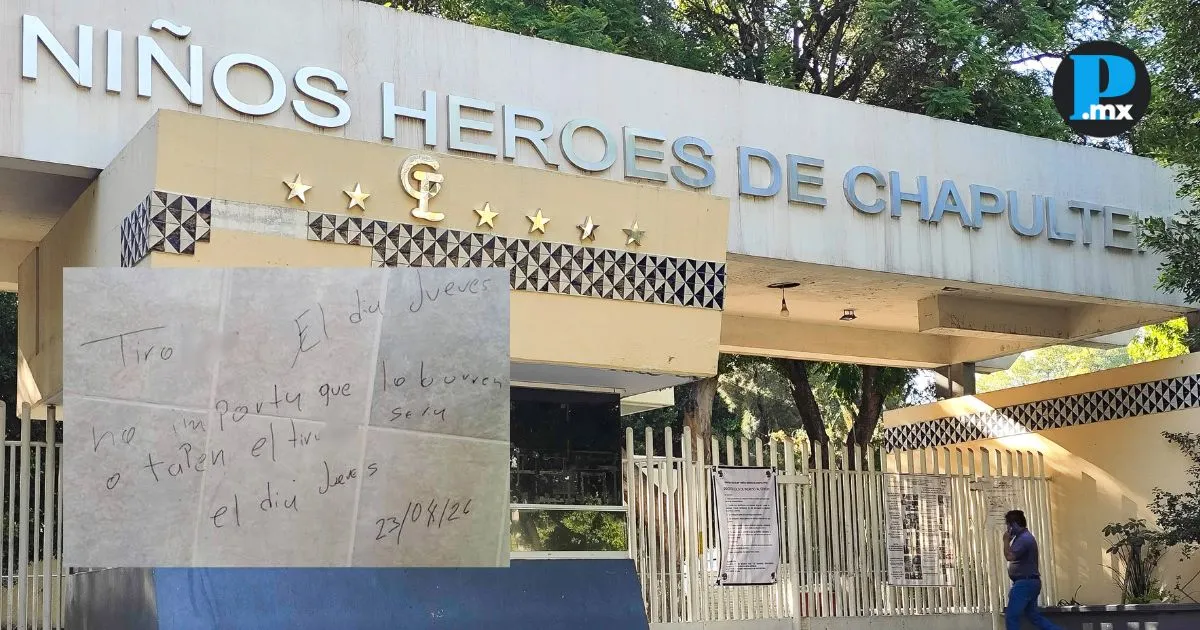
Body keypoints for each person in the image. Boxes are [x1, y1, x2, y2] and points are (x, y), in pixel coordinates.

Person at [1003, 510, 1062, 630]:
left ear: (1014, 524)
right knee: (1033, 616)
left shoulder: (1024, 539)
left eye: (1008, 525)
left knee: (1011, 616)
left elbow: (1009, 556)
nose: (1007, 529)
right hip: (1030, 582)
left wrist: (1005, 541)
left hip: (1024, 583)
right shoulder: (1024, 537)